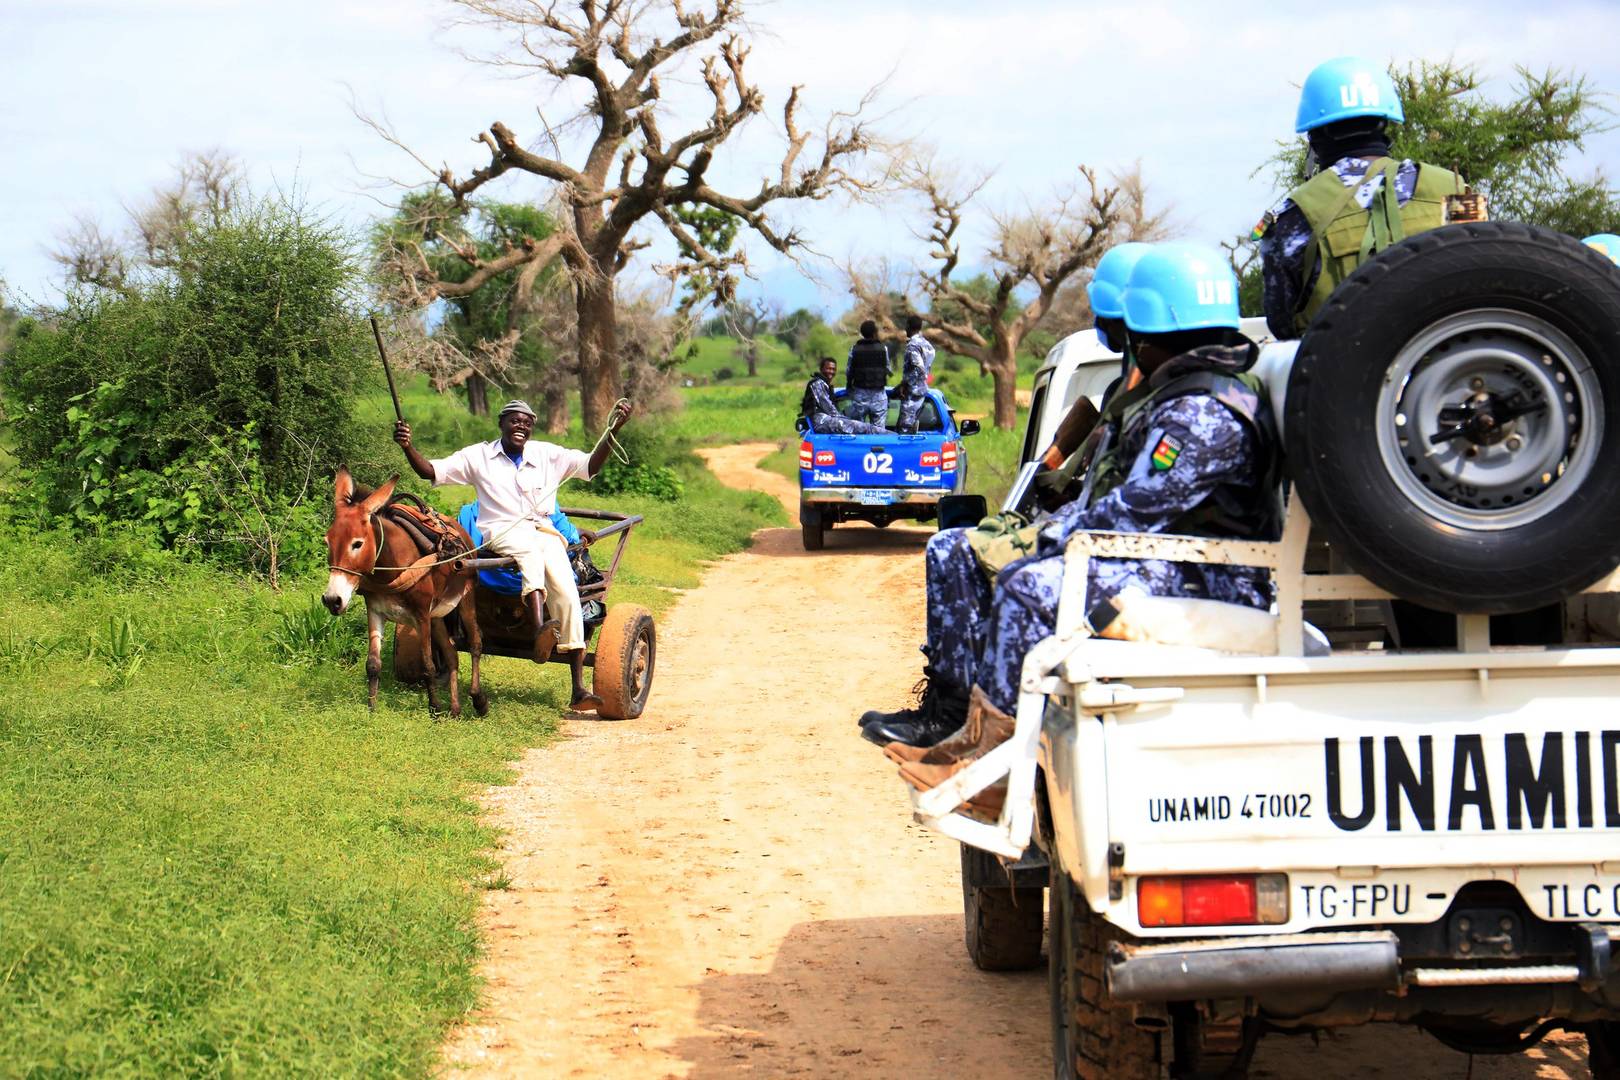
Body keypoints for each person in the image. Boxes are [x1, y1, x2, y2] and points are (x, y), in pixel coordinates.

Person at [867, 245, 1281, 761]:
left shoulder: (1201, 414)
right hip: (1169, 558)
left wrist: (1046, 538)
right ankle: (962, 719)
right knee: (989, 559)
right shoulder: (1182, 394)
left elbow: (1132, 513)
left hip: (1209, 577)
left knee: (1028, 586)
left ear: (1154, 334)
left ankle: (993, 757)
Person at [859, 241, 1155, 747]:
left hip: (1132, 555)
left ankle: (983, 732)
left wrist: (1055, 529)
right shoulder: (1123, 395)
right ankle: (951, 708)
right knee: (953, 547)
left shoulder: (1179, 402)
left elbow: (1141, 508)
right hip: (1102, 538)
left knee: (1000, 569)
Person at [394, 398, 634, 712]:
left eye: (526, 422)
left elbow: (591, 465)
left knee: (565, 586)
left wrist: (614, 429)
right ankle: (538, 630)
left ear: (531, 428)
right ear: (502, 424)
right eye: (514, 421)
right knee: (529, 553)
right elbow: (430, 470)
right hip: (502, 529)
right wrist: (408, 447)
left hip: (543, 529)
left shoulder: (547, 454)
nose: (520, 426)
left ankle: (578, 688)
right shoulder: (479, 456)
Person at [1258, 57, 1472, 340]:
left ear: (1315, 136)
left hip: (1344, 378)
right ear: (1384, 124)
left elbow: (1281, 323)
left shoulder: (1295, 215)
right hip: (1451, 371)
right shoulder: (1454, 188)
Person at [801, 356, 885, 435]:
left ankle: (891, 435)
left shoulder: (825, 384)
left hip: (827, 421)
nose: (831, 371)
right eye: (828, 368)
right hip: (821, 422)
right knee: (865, 427)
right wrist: (845, 420)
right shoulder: (817, 383)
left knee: (862, 426)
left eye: (833, 369)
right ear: (821, 369)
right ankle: (893, 436)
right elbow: (829, 408)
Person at [895, 315, 937, 434]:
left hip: (912, 392)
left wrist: (906, 384)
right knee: (912, 427)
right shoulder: (927, 345)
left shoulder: (912, 346)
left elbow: (919, 368)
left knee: (905, 430)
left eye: (906, 326)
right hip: (923, 389)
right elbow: (927, 367)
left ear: (908, 326)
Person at [845, 320, 891, 427]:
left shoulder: (854, 349)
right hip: (878, 396)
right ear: (875, 333)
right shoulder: (883, 348)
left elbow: (849, 371)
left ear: (862, 333)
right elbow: (888, 368)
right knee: (878, 432)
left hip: (860, 396)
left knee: (858, 430)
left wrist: (849, 385)